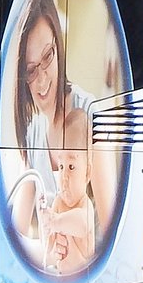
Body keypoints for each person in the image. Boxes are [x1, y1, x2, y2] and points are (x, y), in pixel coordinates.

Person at [9, 0, 115, 257]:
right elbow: (17, 228)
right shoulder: (33, 132)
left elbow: (110, 225)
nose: (42, 79)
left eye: (48, 57)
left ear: (59, 47)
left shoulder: (91, 115)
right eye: (31, 70)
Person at [41, 108, 96, 274]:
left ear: (87, 173)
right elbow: (48, 248)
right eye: (61, 166)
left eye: (71, 167)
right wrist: (47, 226)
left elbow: (81, 224)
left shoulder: (85, 205)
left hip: (82, 274)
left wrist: (56, 221)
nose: (63, 177)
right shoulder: (58, 202)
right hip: (62, 275)